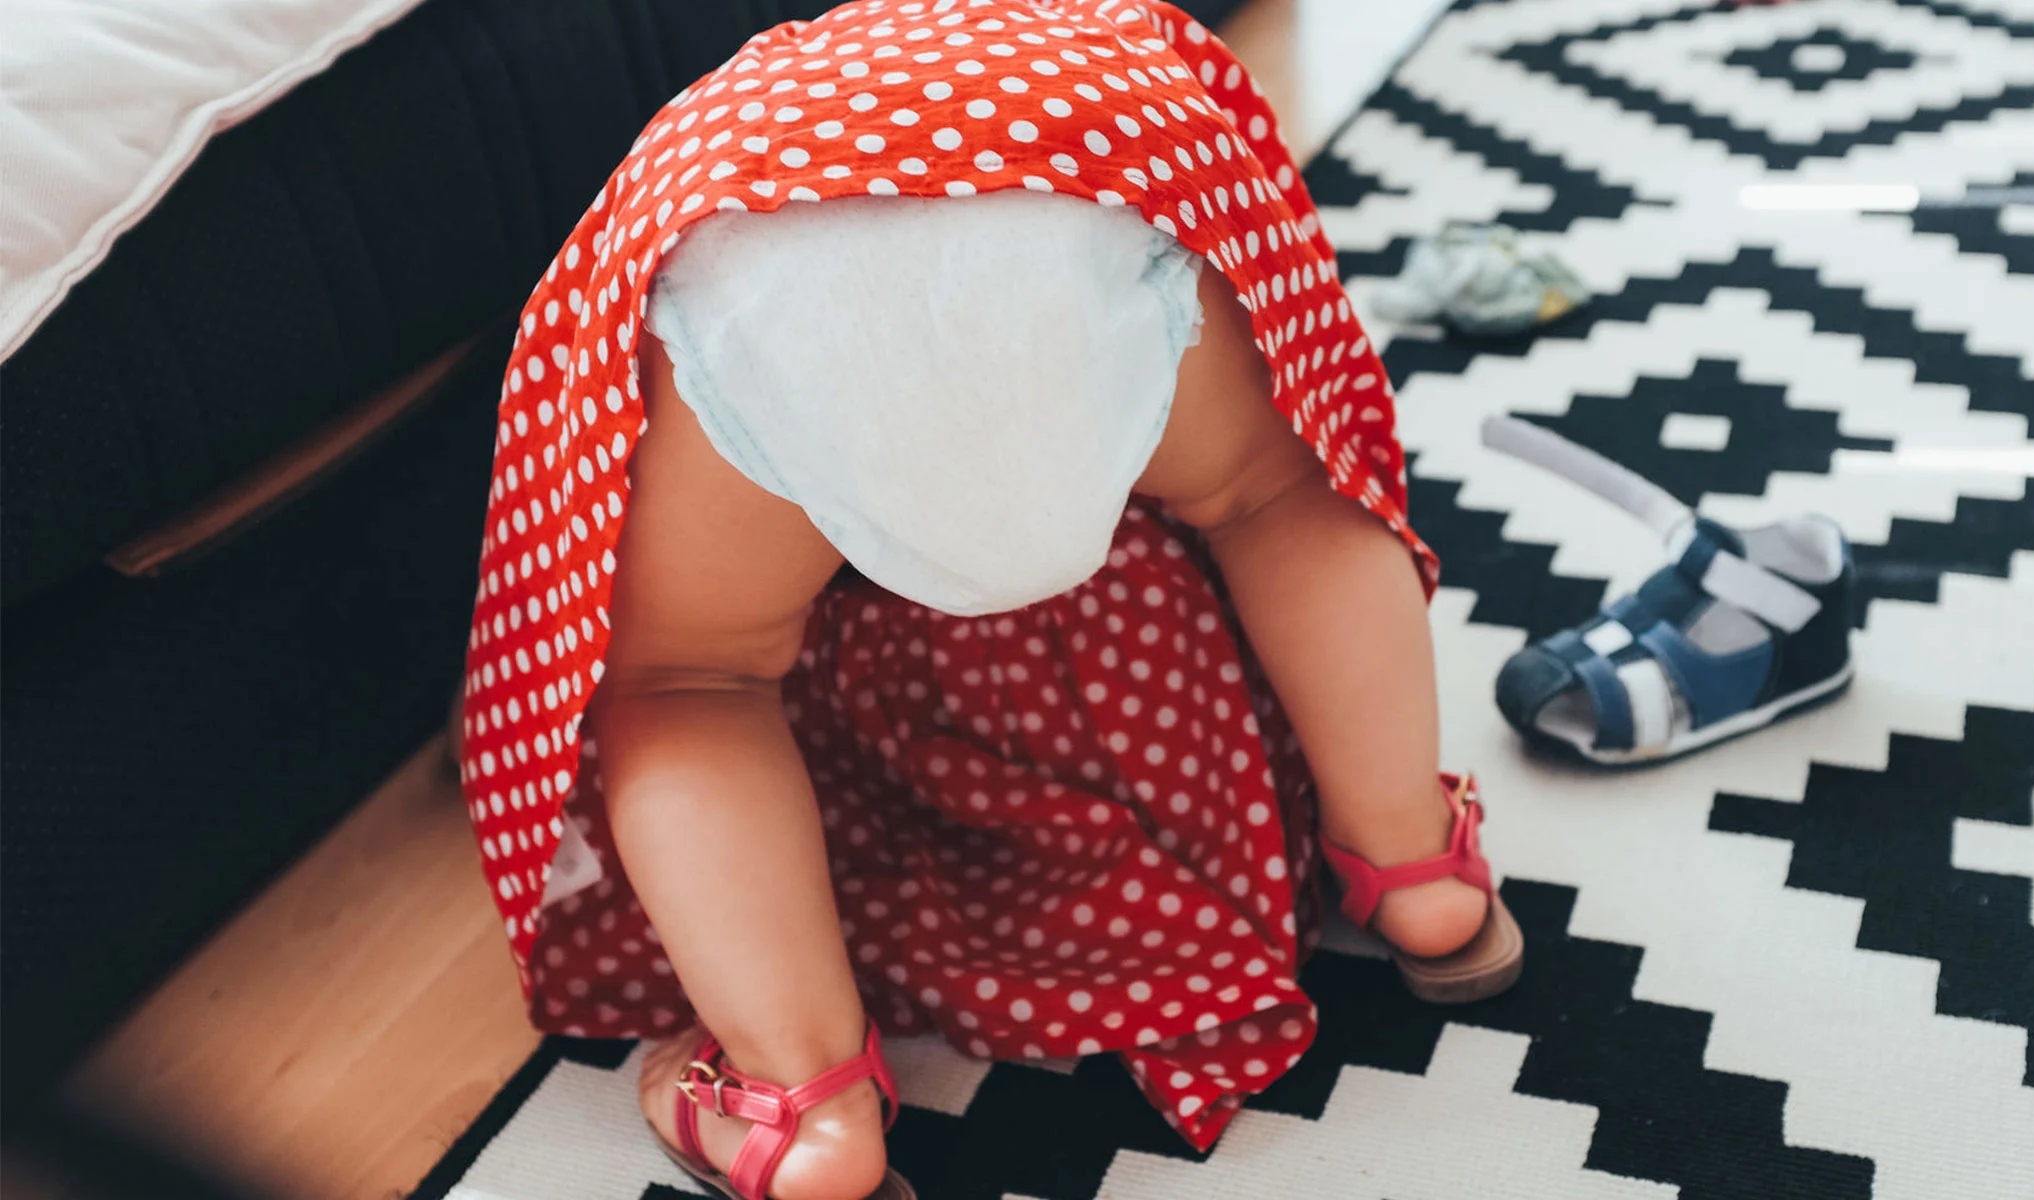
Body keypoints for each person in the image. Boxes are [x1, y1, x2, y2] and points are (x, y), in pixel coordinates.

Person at [456, 5, 1522, 1198]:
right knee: (1278, 502)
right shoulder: (1114, 37)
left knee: (692, 681)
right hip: (1079, 195)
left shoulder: (754, 104)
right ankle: (1417, 872)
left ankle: (805, 1114)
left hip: (747, 268)